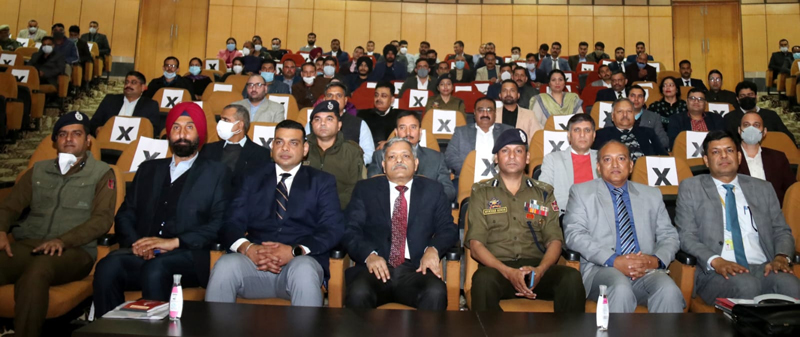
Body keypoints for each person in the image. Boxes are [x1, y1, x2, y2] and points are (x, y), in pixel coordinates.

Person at [93, 103, 230, 317]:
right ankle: (110, 329)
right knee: (107, 266)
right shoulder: (148, 169)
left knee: (156, 269)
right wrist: (138, 244)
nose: (182, 134)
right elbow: (126, 214)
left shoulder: (217, 172)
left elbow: (219, 224)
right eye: (176, 127)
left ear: (200, 134)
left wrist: (174, 242)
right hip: (144, 253)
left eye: (189, 127)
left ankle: (160, 330)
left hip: (188, 256)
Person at [0, 112, 115, 337]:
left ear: (88, 140)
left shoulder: (102, 173)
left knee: (38, 270)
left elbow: (102, 220)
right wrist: (1, 229)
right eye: (62, 134)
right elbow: (9, 206)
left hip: (75, 250)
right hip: (30, 244)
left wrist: (63, 240)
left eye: (76, 133)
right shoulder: (38, 170)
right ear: (55, 141)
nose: (68, 138)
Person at [206, 120, 344, 306]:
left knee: (304, 270)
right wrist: (248, 248)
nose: (285, 148)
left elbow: (332, 228)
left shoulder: (321, 182)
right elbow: (230, 223)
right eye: (279, 142)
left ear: (305, 149)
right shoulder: (251, 178)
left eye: (293, 143)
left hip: (299, 264)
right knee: (225, 266)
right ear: (272, 147)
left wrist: (294, 251)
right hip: (254, 264)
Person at [466, 128, 585, 312]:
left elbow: (554, 240)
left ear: (527, 157)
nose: (512, 156)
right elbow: (475, 245)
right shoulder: (482, 193)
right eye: (505, 151)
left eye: (518, 150)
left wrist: (540, 270)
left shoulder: (543, 193)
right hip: (498, 269)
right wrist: (508, 272)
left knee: (571, 278)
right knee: (483, 281)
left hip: (536, 269)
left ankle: (566, 328)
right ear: (496, 158)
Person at [676, 130, 799, 305]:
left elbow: (782, 230)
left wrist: (781, 256)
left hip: (762, 267)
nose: (724, 156)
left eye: (729, 150)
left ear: (739, 157)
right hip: (715, 272)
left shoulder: (763, 188)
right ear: (706, 160)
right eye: (716, 152)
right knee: (747, 286)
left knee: (791, 285)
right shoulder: (691, 188)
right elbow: (686, 236)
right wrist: (716, 261)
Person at [564, 140, 683, 313]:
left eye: (621, 158)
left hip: (645, 269)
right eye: (607, 159)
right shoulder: (581, 192)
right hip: (602, 268)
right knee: (620, 288)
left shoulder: (651, 195)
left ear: (631, 165)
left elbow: (669, 235)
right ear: (598, 167)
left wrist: (655, 260)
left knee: (668, 289)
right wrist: (613, 260)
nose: (615, 165)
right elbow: (574, 235)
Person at [343, 137, 458, 310]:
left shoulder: (433, 190)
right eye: (392, 157)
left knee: (435, 292)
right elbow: (350, 230)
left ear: (416, 163)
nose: (399, 161)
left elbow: (448, 228)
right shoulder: (365, 189)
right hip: (375, 268)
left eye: (405, 156)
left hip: (416, 269)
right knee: (358, 292)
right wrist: (369, 255)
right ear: (383, 165)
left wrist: (433, 249)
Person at [368, 111, 455, 202]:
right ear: (396, 132)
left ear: (420, 132)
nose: (408, 133)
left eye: (413, 127)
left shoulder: (436, 158)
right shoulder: (380, 156)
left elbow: (449, 191)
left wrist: (427, 199)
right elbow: (371, 187)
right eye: (402, 128)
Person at [306, 100, 364, 209]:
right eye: (317, 119)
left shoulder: (351, 152)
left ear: (339, 125)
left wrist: (329, 206)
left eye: (329, 119)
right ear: (311, 124)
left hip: (340, 210)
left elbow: (355, 189)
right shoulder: (301, 148)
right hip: (304, 210)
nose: (323, 123)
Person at [538, 114, 598, 214]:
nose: (582, 135)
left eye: (587, 130)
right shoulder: (552, 159)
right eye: (577, 130)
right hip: (565, 215)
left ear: (594, 135)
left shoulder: (603, 159)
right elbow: (543, 193)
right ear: (569, 135)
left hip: (598, 215)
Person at [198, 104, 272, 184]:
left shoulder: (261, 154)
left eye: (226, 120)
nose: (220, 123)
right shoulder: (208, 149)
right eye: (220, 119)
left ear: (240, 125)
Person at [446, 97, 513, 178]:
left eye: (489, 110)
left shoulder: (507, 132)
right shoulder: (461, 132)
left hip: (501, 179)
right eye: (481, 110)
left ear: (495, 113)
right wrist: (469, 170)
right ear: (474, 113)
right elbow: (450, 156)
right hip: (468, 178)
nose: (485, 114)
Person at [737, 112, 795, 206]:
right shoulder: (730, 157)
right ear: (739, 130)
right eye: (746, 125)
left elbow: (792, 191)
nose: (751, 129)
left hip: (773, 211)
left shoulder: (778, 157)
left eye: (756, 125)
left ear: (764, 132)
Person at [593, 98, 667, 162]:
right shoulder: (601, 135)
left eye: (629, 111)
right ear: (612, 116)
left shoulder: (648, 132)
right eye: (620, 111)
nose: (625, 115)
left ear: (634, 115)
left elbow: (664, 157)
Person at [90, 71, 161, 136]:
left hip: (135, 143)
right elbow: (93, 123)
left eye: (133, 83)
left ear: (143, 87)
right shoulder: (110, 100)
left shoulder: (150, 105)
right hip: (108, 140)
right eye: (126, 82)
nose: (128, 85)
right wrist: (97, 129)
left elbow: (153, 130)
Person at [724, 81, 795, 145]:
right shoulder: (729, 118)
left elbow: (787, 137)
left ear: (756, 96)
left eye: (750, 94)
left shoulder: (771, 115)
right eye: (743, 96)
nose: (747, 98)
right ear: (737, 99)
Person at [602, 85, 669, 149]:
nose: (636, 99)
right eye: (633, 96)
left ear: (644, 100)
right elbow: (606, 138)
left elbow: (664, 141)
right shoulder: (613, 116)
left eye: (640, 96)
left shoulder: (654, 117)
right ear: (627, 98)